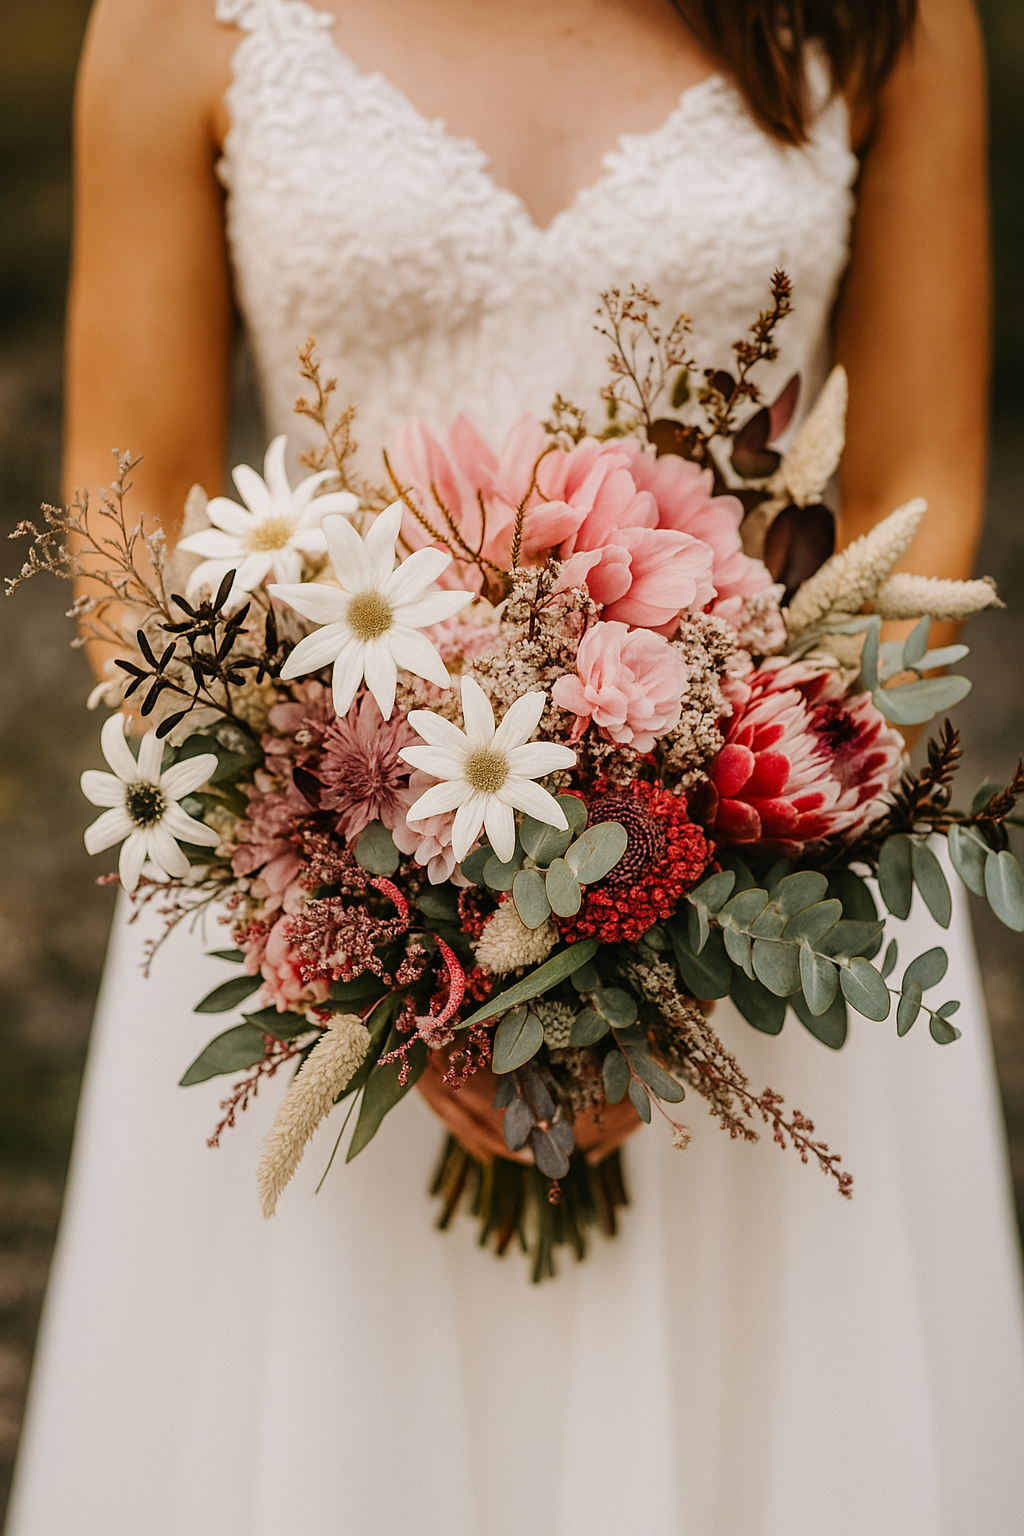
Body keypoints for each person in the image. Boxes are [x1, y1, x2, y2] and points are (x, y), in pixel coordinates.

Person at [7, 1, 1024, 1531]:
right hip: (314, 890)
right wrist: (332, 886)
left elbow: (921, 479)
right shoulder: (172, 18)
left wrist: (719, 867)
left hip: (773, 907)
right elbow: (127, 491)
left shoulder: (887, 19)